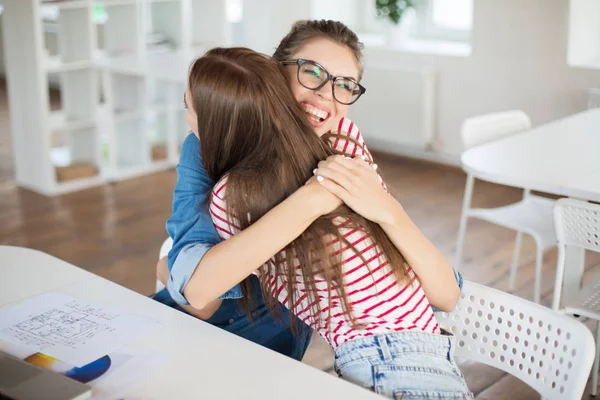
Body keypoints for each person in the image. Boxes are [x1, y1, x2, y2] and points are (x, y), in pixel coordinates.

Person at [152, 20, 463, 363]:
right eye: (312, 72)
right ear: (274, 72)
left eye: (345, 85)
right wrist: (313, 198)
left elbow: (440, 291)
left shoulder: (341, 142)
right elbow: (200, 299)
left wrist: (387, 210)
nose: (325, 95)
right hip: (191, 334)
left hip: (276, 345)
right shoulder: (205, 146)